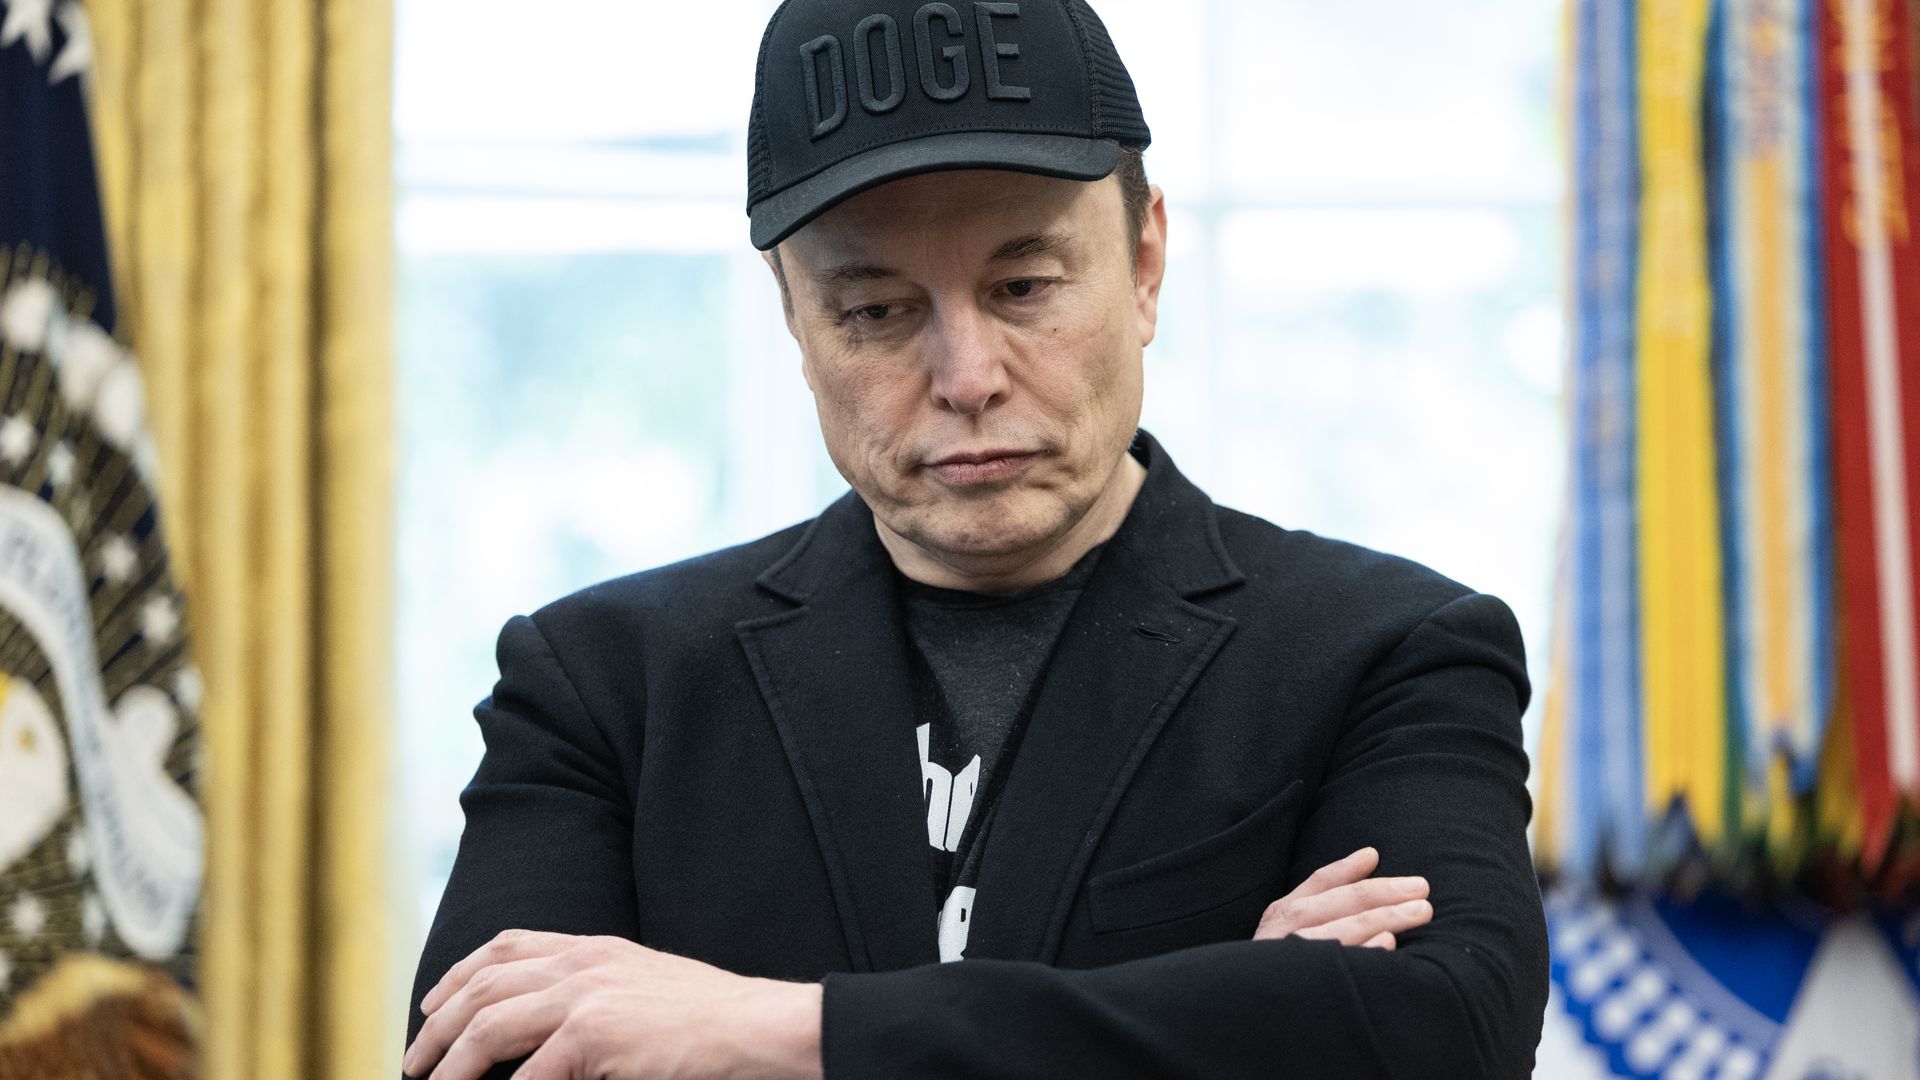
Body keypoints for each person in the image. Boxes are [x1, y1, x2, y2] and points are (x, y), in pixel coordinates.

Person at [400, 0, 1550, 1076]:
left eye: (1025, 286)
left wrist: (761, 1027)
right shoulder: (605, 686)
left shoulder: (1389, 653)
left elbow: (1440, 1032)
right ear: (794, 320)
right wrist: (1234, 1005)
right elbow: (489, 1052)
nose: (967, 378)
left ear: (1145, 261)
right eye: (876, 312)